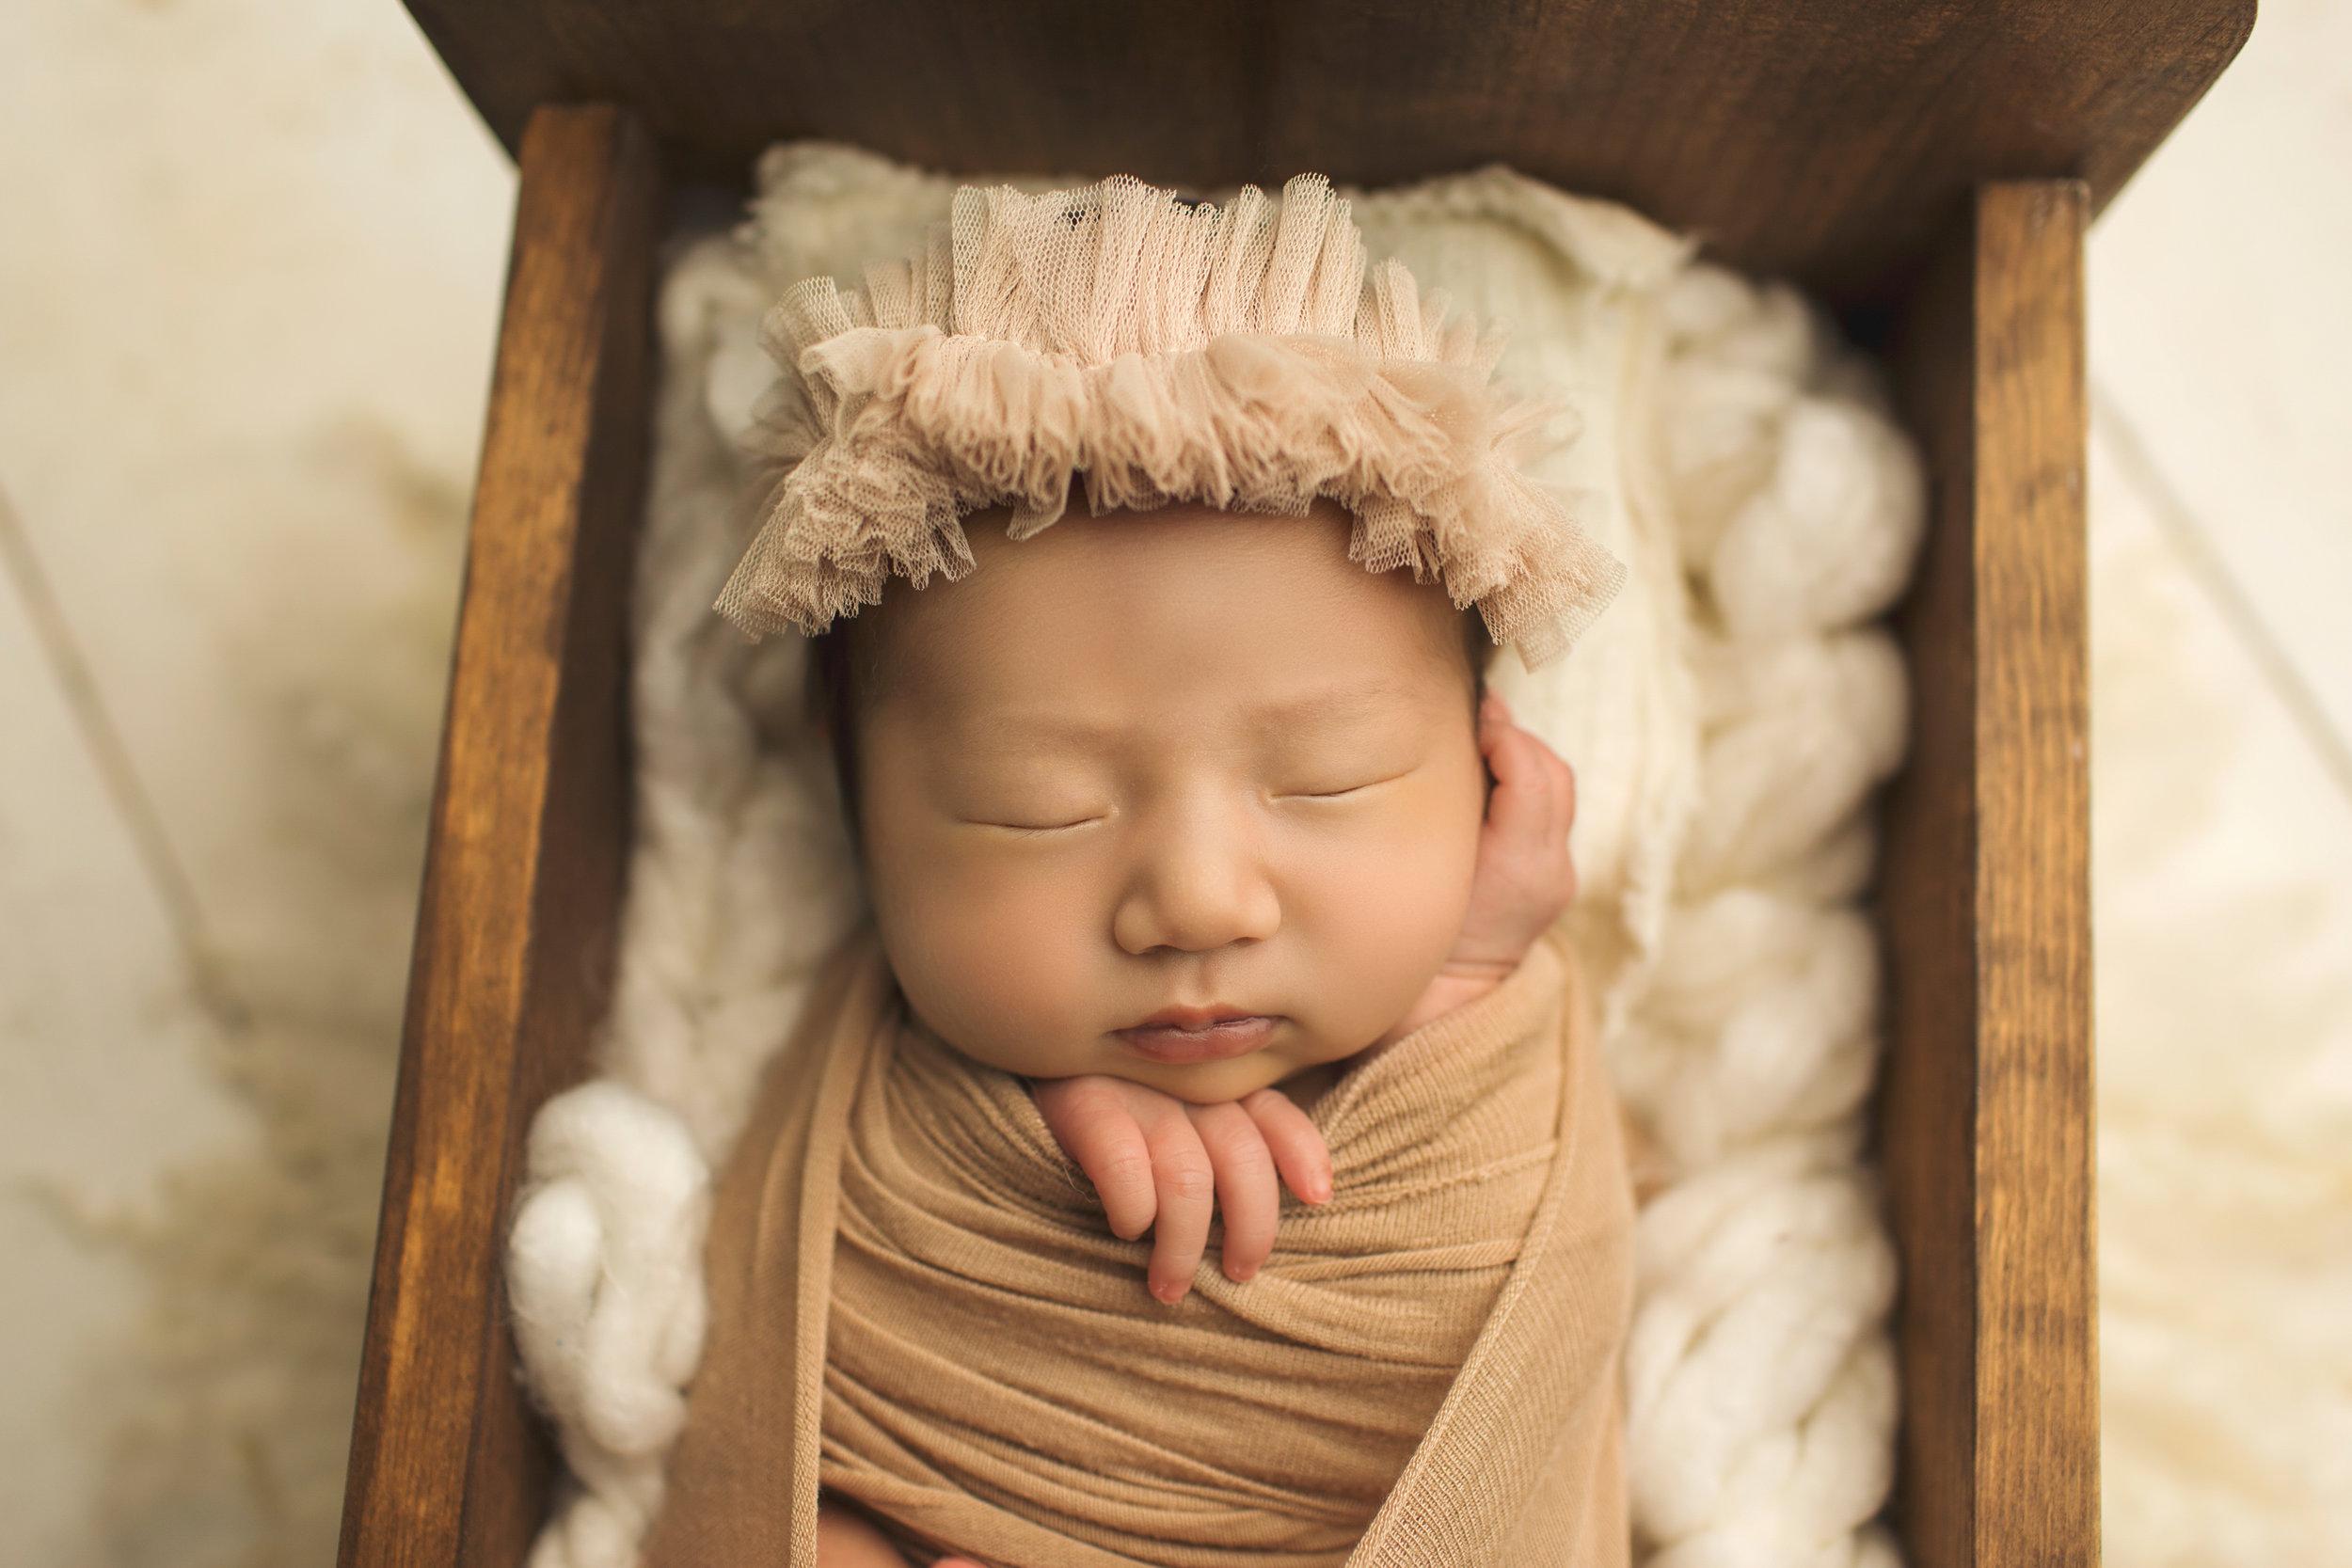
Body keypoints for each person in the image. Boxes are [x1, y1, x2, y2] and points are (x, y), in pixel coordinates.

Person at [643, 173, 1636, 1568]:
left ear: (1486, 767)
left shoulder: (1486, 1040)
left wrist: (1466, 981)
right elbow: (807, 1383)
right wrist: (1020, 1116)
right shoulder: (885, 1092)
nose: (1198, 904)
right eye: (1034, 810)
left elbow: (1530, 1300)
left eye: (1329, 782)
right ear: (853, 804)